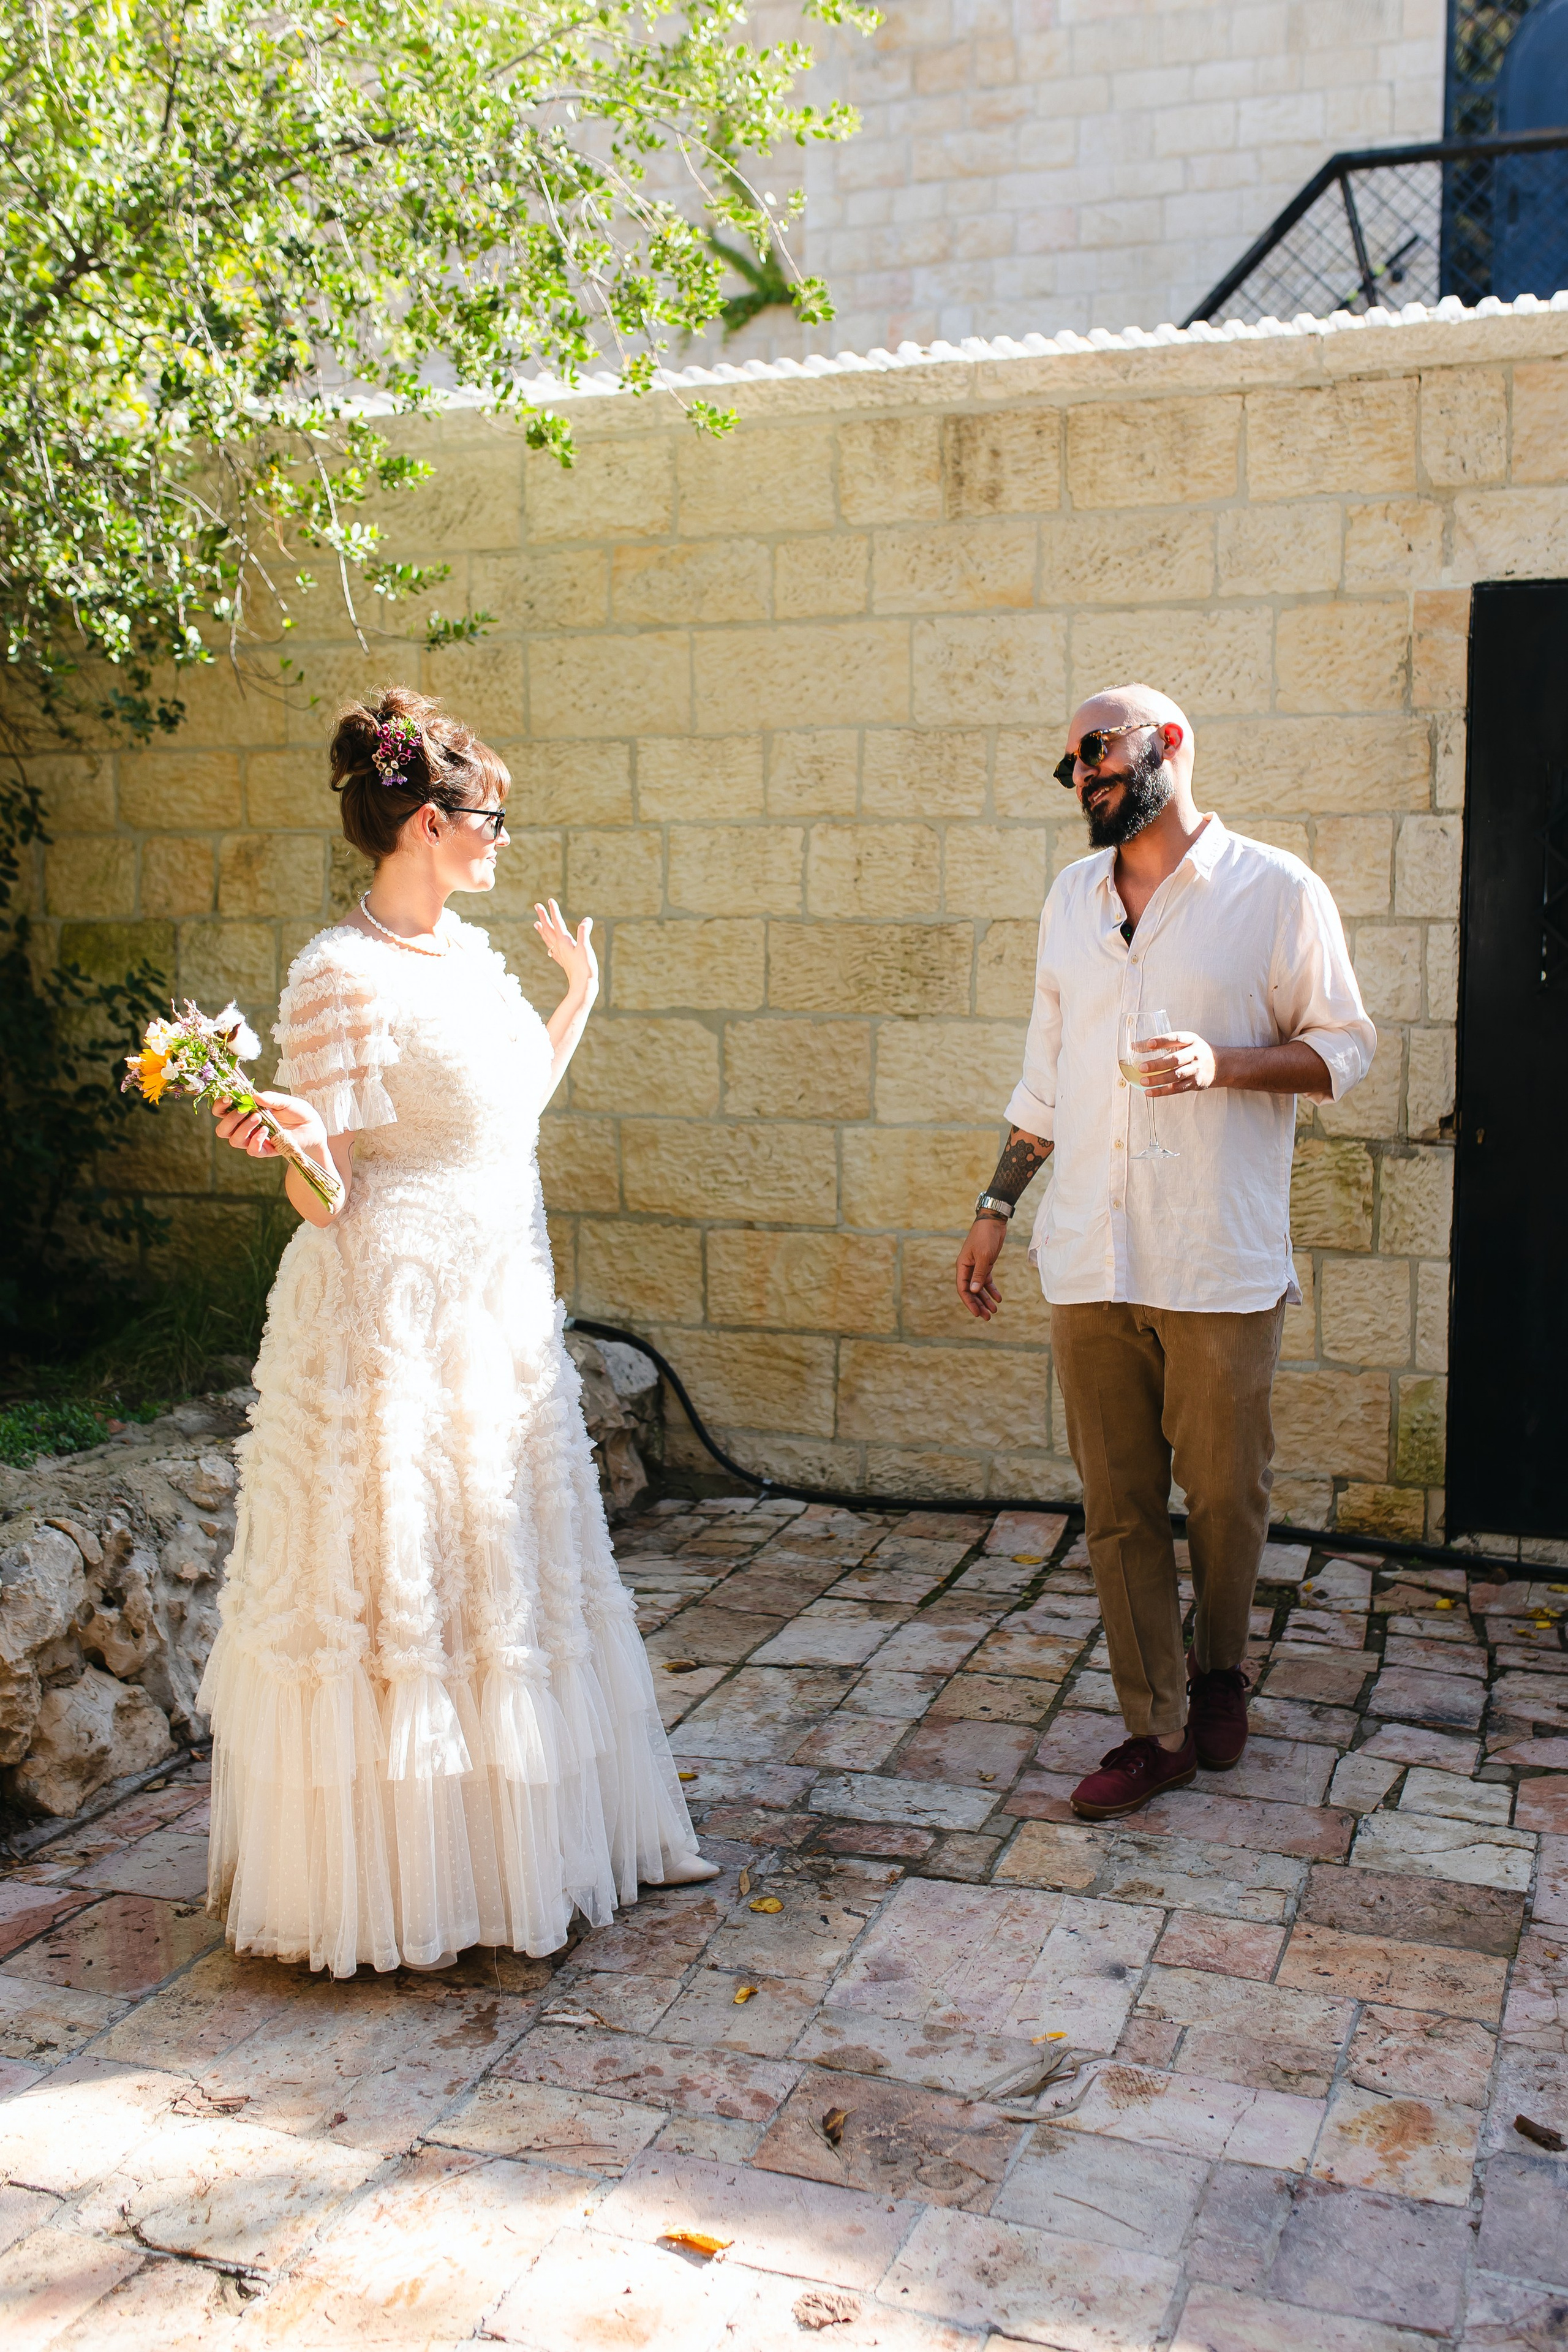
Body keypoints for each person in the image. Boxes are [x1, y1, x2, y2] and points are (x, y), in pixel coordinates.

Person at [200, 685, 715, 1977]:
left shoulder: (475, 960)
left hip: (494, 1313)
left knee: (514, 1580)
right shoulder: (337, 974)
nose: (503, 839)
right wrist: (282, 1145)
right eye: (491, 817)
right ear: (428, 823)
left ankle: (546, 1846)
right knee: (405, 1599)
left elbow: (505, 1116)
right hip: (392, 1321)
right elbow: (323, 1193)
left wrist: (576, 998)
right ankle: (407, 1882)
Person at [954, 684, 1375, 1822]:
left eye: (1100, 750)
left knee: (1227, 1492)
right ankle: (1157, 1728)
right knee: (1118, 1503)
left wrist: (1223, 1063)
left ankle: (1226, 1668)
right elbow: (1047, 1072)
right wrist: (998, 1205)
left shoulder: (1275, 891)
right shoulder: (1069, 898)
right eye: (1071, 766)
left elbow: (1344, 1049)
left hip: (1217, 1260)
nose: (1085, 775)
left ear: (1168, 746)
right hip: (1089, 1249)